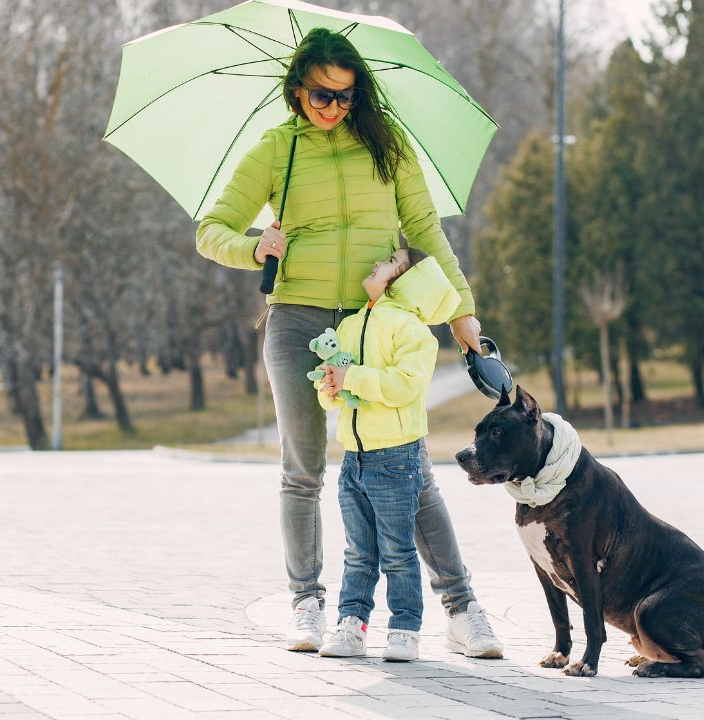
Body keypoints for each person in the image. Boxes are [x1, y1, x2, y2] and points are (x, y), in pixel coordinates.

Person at [195, 27, 502, 658]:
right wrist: (253, 245)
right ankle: (307, 602)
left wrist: (462, 311)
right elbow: (211, 229)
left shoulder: (387, 148)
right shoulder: (275, 151)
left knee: (407, 473)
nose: (331, 107)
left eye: (344, 95)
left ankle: (462, 609)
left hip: (376, 323)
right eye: (319, 95)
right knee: (301, 472)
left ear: (358, 91)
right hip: (298, 323)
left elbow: (424, 229)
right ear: (296, 88)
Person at [313, 246, 454, 663]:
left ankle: (404, 629)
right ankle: (351, 625)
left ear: (406, 279)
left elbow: (404, 385)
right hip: (352, 457)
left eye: (390, 261)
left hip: (395, 458)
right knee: (358, 551)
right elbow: (340, 398)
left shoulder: (412, 330)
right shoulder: (353, 323)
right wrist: (331, 388)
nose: (377, 263)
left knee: (397, 551)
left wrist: (352, 375)